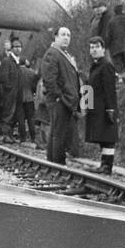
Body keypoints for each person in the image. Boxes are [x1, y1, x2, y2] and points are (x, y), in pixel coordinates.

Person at [39, 26, 82, 165]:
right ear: (56, 37)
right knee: (59, 133)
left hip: (64, 100)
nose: (66, 38)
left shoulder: (63, 54)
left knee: (56, 132)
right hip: (59, 100)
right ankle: (58, 163)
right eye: (63, 34)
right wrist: (60, 97)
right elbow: (49, 79)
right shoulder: (53, 53)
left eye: (68, 35)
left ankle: (53, 162)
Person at [85, 36, 118, 173]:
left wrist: (110, 109)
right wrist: (86, 104)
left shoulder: (106, 65)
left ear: (103, 49)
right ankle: (104, 164)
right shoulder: (95, 65)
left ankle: (106, 166)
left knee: (108, 137)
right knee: (103, 137)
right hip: (96, 107)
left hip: (104, 108)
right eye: (91, 47)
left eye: (97, 47)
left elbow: (110, 89)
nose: (93, 50)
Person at [106, 3, 125, 72]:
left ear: (115, 11)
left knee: (118, 67)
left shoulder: (111, 22)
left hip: (115, 48)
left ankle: (121, 81)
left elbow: (108, 36)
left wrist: (107, 47)